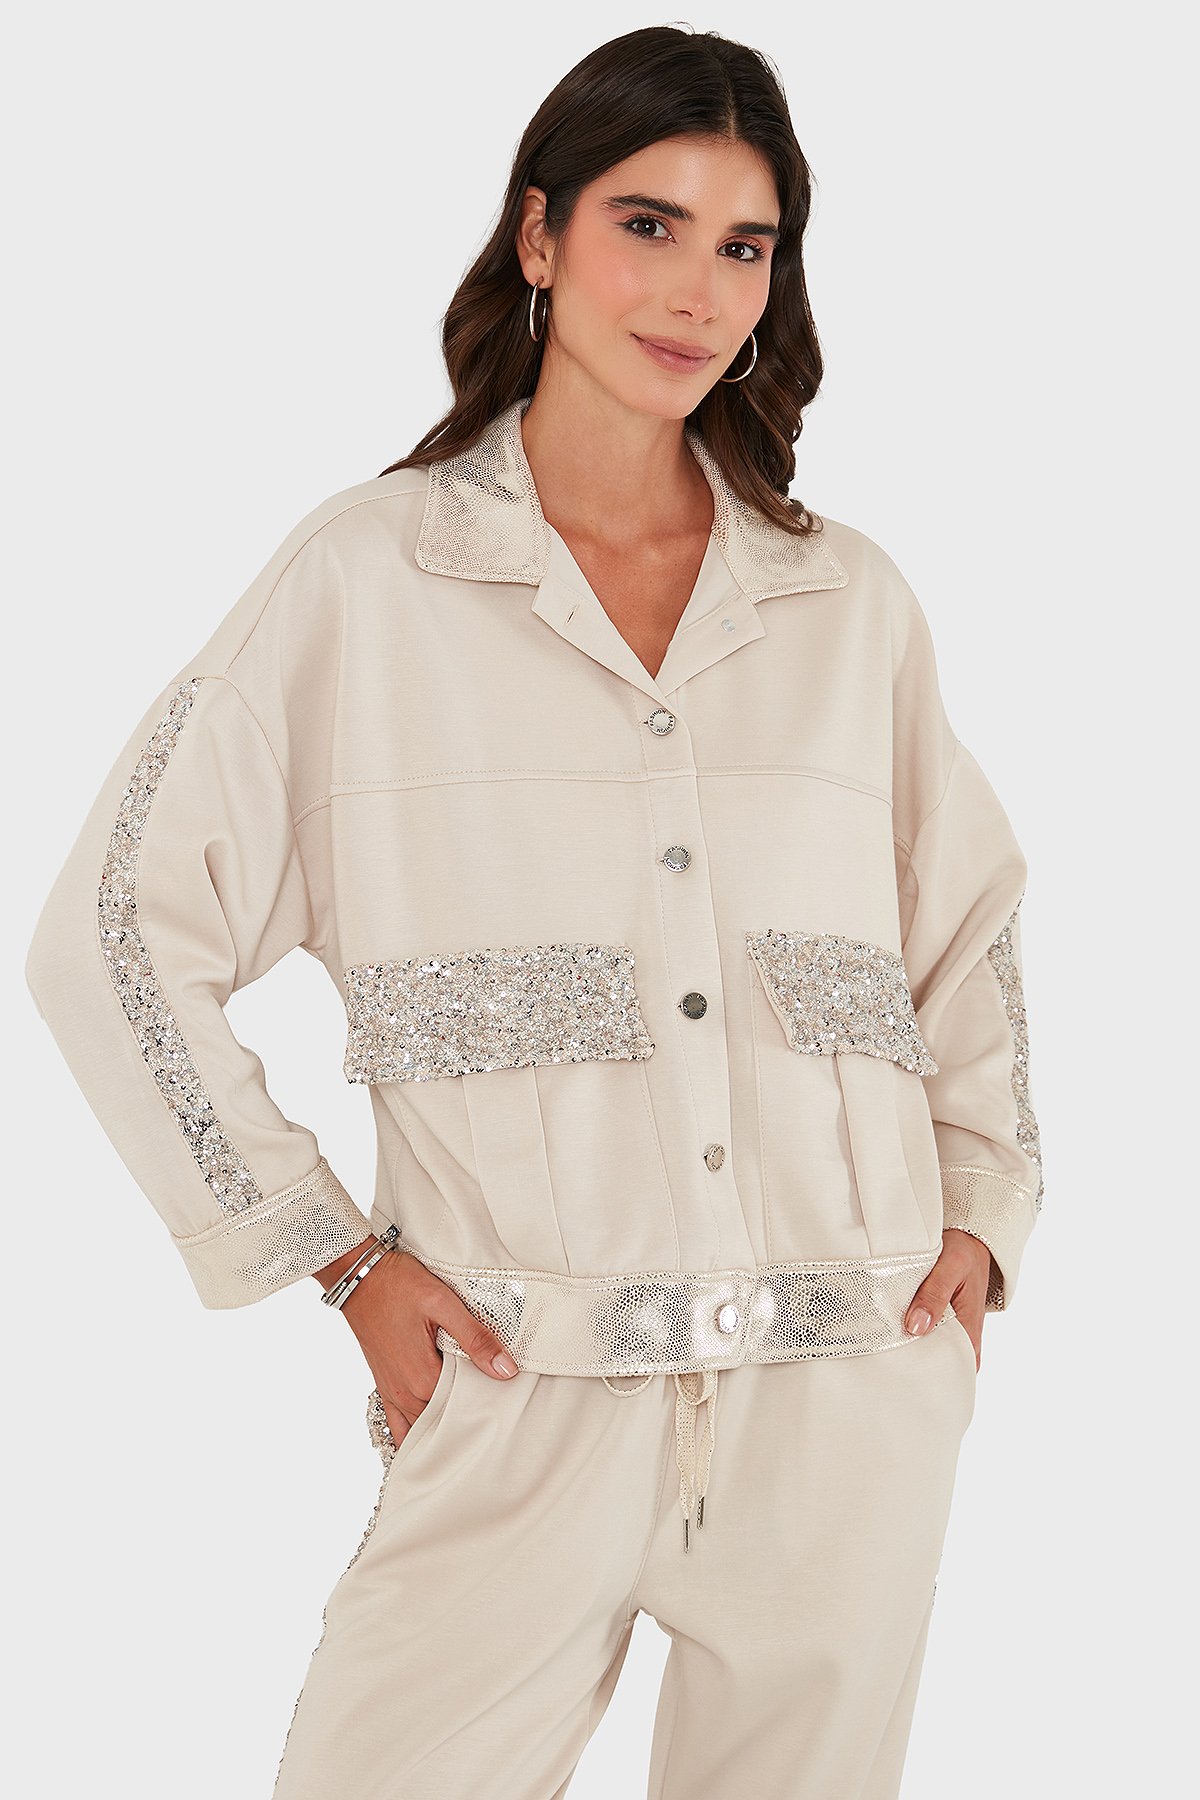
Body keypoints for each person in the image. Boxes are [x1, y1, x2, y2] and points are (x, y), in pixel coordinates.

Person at [24, 24, 1043, 1800]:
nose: (700, 290)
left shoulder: (844, 601)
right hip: (516, 1385)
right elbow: (113, 937)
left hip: (852, 1392)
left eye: (747, 244)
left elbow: (968, 930)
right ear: (541, 235)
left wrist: (984, 1212)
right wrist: (334, 1255)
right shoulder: (368, 579)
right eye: (651, 225)